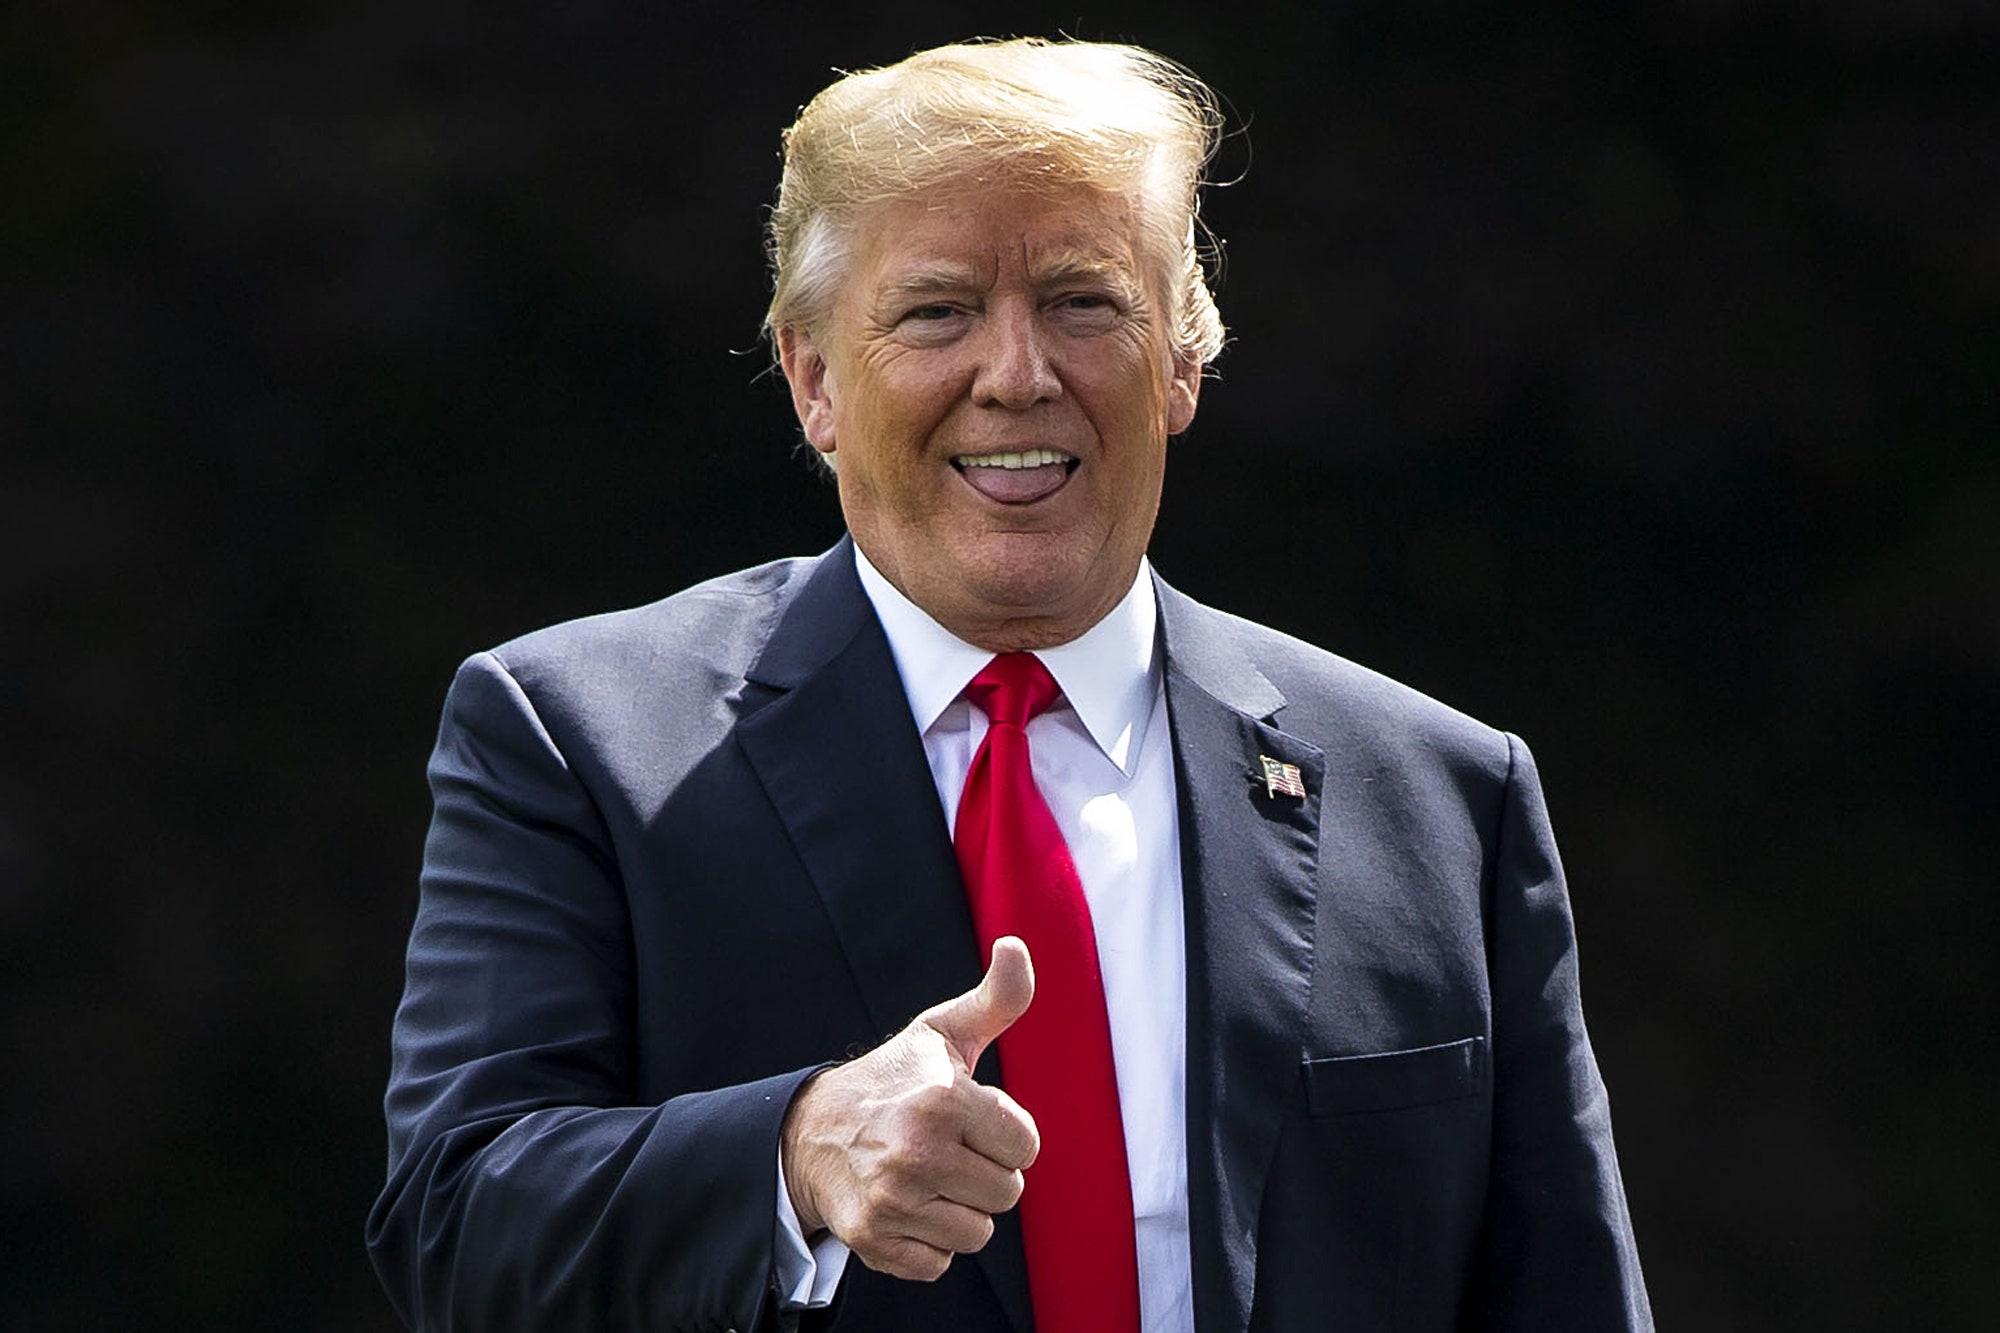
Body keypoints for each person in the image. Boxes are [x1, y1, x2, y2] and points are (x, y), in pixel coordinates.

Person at [366, 37, 1652, 1333]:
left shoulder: (1439, 798)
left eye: (1086, 301)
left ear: (1186, 360)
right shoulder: (582, 741)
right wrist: (796, 1151)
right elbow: (456, 1226)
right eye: (937, 310)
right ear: (814, 380)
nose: (1019, 371)